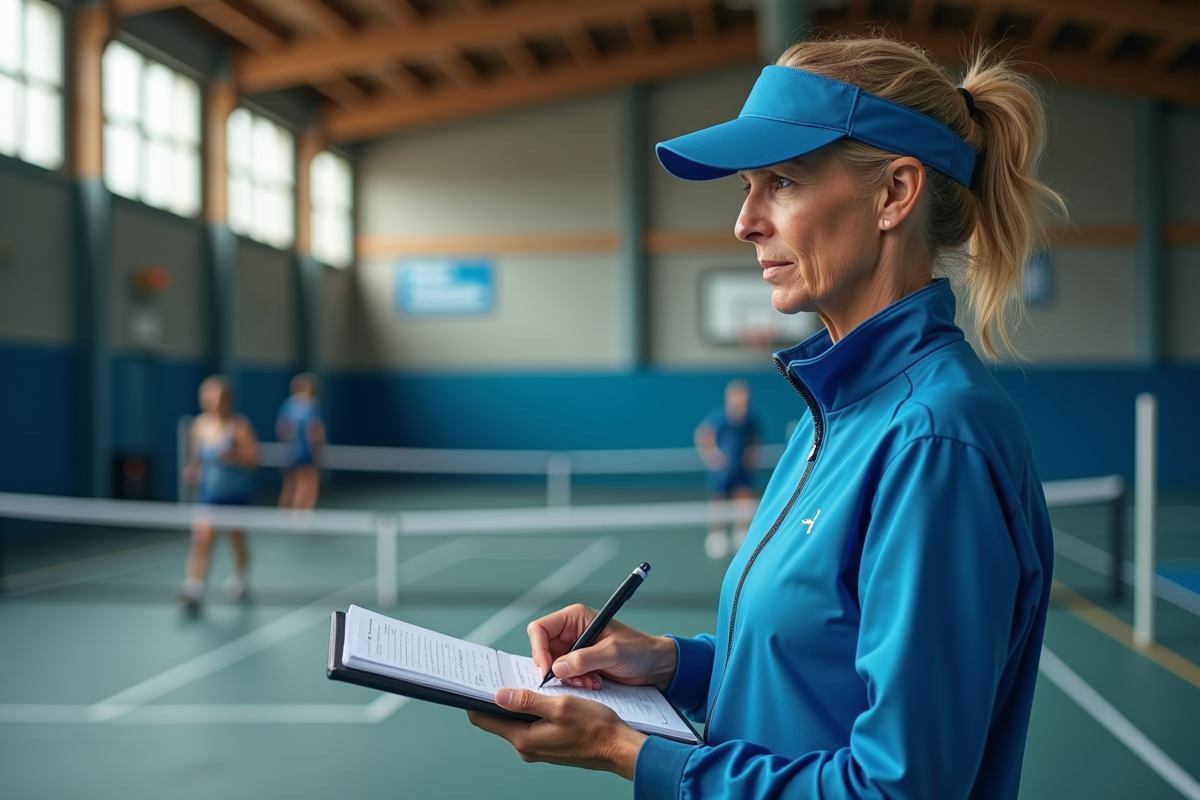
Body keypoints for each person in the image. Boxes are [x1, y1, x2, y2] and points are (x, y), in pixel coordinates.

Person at [467, 36, 1064, 800]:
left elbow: (898, 789)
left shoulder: (934, 441)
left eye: (781, 181)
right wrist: (670, 663)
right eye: (748, 186)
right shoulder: (835, 413)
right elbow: (816, 670)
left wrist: (632, 754)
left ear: (895, 193)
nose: (745, 221)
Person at [177, 375, 259, 609]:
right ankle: (195, 587)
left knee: (236, 539)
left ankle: (240, 579)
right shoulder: (199, 426)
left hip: (236, 495)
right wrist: (193, 469)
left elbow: (254, 458)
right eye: (207, 396)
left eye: (216, 396)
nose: (211, 400)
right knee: (201, 540)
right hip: (209, 495)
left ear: (227, 400)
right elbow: (197, 457)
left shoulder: (240, 426)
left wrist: (234, 456)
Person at [694, 379, 758, 559]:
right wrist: (713, 457)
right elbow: (703, 435)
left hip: (741, 469)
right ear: (729, 397)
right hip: (722, 471)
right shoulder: (718, 417)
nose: (741, 401)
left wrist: (751, 456)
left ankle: (741, 534)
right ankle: (717, 536)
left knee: (744, 500)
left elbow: (755, 440)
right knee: (719, 503)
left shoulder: (750, 420)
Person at [277, 372, 326, 509]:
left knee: (290, 485)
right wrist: (320, 454)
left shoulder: (287, 405)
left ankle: (284, 518)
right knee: (308, 488)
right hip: (307, 454)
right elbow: (315, 433)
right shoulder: (312, 405)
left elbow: (281, 431)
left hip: (289, 454)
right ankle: (301, 522)